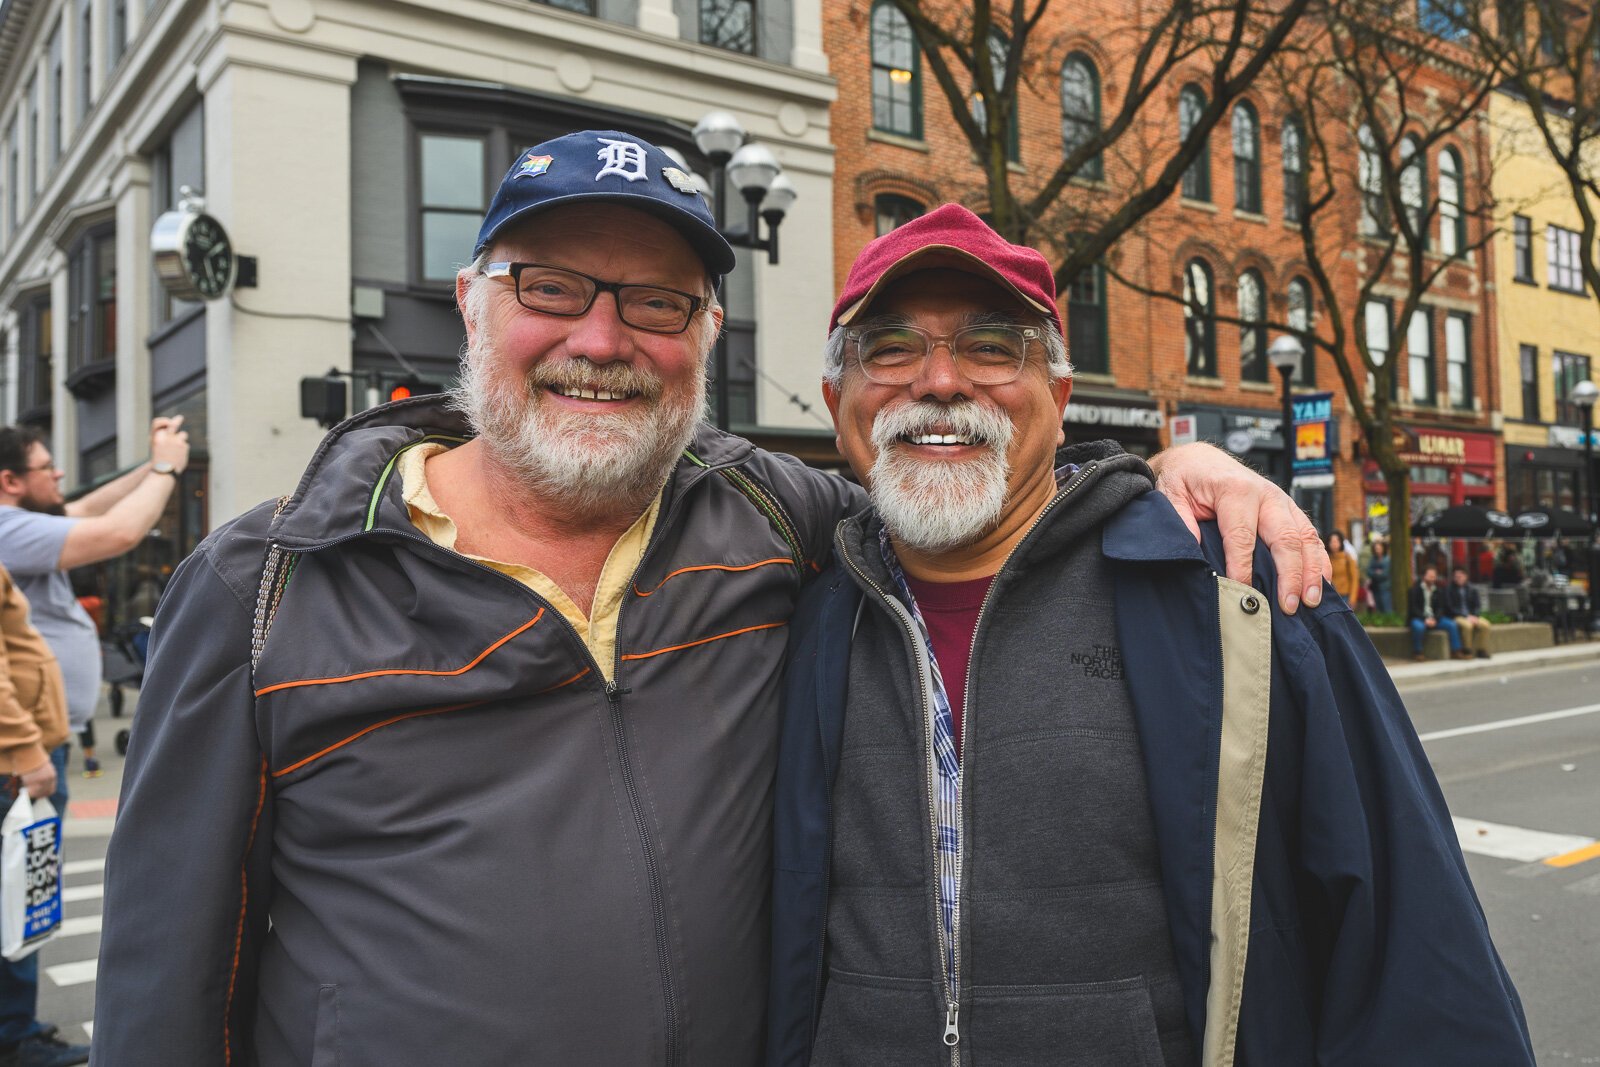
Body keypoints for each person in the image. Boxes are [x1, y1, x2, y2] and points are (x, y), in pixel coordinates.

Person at [90, 131, 1328, 1064]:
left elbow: (963, 480)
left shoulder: (774, 518)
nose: (602, 339)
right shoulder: (264, 586)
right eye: (551, 287)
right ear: (473, 302)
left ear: (708, 332)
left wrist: (1163, 475)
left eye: (656, 303)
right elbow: (166, 977)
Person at [767, 205, 1532, 1065]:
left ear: (1059, 399)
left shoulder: (1235, 588)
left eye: (991, 346)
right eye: (890, 348)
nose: (940, 380)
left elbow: (1413, 949)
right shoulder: (800, 613)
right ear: (837, 403)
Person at [0, 420, 190, 1067]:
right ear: (9, 481)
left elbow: (85, 509)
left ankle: (15, 1028)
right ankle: (13, 1035)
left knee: (22, 885)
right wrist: (164, 470)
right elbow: (116, 532)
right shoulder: (8, 528)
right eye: (45, 466)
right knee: (20, 888)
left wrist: (151, 464)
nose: (59, 475)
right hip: (21, 751)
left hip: (35, 744)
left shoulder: (26, 523)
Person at [0, 563, 74, 1067]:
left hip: (16, 760)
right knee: (19, 896)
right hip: (14, 765)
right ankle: (13, 1034)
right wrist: (26, 749)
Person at [1408, 565, 1470, 662]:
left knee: (1452, 624)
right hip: (1419, 618)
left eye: (1434, 576)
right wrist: (1425, 619)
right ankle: (1418, 652)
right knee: (1418, 627)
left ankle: (1456, 650)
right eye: (1430, 576)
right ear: (1424, 576)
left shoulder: (1438, 590)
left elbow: (1440, 608)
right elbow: (1413, 609)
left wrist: (1435, 619)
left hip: (1434, 619)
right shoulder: (1414, 590)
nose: (1432, 578)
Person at [1445, 565, 1493, 659]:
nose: (1458, 579)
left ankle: (1481, 650)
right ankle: (1467, 649)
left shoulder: (1472, 589)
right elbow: (1450, 607)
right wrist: (1466, 616)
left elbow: (1477, 606)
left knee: (1486, 625)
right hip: (1457, 615)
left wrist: (1475, 616)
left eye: (1460, 576)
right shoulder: (1449, 589)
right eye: (1456, 577)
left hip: (1471, 615)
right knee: (1467, 626)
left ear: (1465, 576)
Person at [1327, 530, 1361, 606]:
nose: (1334, 544)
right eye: (1331, 541)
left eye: (1336, 541)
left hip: (1345, 596)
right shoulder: (1327, 558)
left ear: (1341, 542)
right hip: (1332, 595)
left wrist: (1353, 598)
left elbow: (1354, 578)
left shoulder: (1347, 558)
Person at [1367, 536, 1393, 612]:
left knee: (1386, 609)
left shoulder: (1387, 559)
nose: (1377, 550)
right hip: (1375, 588)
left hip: (1385, 588)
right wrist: (1376, 573)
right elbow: (1368, 571)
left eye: (1379, 548)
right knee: (1378, 609)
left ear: (1383, 548)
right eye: (1376, 548)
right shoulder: (1373, 559)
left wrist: (1374, 573)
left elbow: (1385, 574)